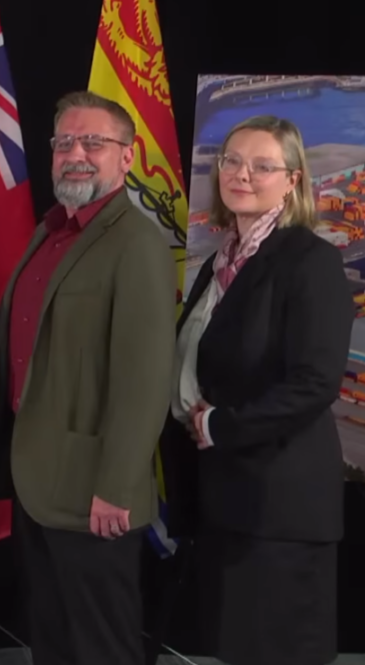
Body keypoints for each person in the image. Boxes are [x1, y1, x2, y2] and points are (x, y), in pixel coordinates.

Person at [0, 90, 178, 665]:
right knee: (53, 640)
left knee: (101, 647)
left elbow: (144, 377)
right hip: (36, 479)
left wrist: (116, 485)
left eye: (94, 142)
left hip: (95, 489)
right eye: (65, 141)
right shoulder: (50, 232)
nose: (77, 153)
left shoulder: (136, 242)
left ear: (128, 155)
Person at [162, 115, 353, 665]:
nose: (242, 174)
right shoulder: (219, 261)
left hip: (281, 506)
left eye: (262, 165)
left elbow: (315, 382)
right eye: (232, 161)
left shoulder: (308, 261)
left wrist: (219, 424)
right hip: (226, 499)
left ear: (293, 180)